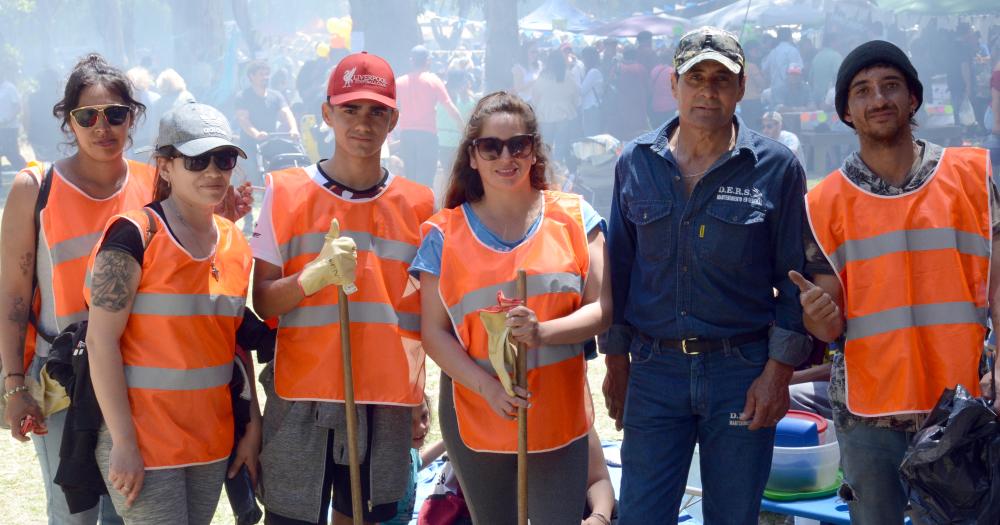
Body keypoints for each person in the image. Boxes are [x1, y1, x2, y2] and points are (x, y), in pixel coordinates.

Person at [0, 53, 251, 525]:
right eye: (86, 116)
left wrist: (222, 222)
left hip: (132, 380)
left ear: (133, 117)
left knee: (123, 514)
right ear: (68, 121)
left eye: (116, 114)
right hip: (62, 376)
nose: (103, 127)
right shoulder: (35, 187)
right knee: (73, 513)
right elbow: (13, 296)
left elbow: (178, 255)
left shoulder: (151, 183)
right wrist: (14, 384)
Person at [603, 27, 811, 524]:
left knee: (734, 516)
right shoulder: (636, 161)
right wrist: (615, 361)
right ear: (673, 83)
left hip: (742, 371)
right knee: (641, 515)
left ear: (742, 90)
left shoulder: (775, 167)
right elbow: (619, 268)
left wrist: (777, 373)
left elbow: (796, 281)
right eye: (696, 77)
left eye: (723, 79)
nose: (708, 91)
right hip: (654, 370)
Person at [794, 40, 1000, 525]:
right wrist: (816, 316)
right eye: (862, 90)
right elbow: (828, 322)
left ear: (913, 98)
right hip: (868, 412)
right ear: (847, 111)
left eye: (891, 86)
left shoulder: (970, 175)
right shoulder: (823, 202)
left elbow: (996, 289)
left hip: (960, 404)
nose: (878, 99)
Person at [250, 51, 434, 525]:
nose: (363, 123)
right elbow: (264, 300)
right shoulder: (285, 192)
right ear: (327, 112)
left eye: (377, 111)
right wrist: (313, 276)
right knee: (291, 516)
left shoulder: (419, 204)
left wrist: (419, 396)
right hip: (302, 394)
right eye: (350, 109)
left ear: (394, 119)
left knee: (365, 518)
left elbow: (419, 319)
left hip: (385, 399)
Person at [414, 90, 611, 523]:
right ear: (472, 155)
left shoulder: (577, 218)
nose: (506, 157)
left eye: (518, 144)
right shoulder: (441, 235)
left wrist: (544, 332)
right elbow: (434, 333)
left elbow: (602, 309)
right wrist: (486, 387)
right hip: (476, 414)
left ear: (534, 150)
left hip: (557, 415)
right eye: (491, 146)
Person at [86, 102, 259, 524]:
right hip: (146, 442)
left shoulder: (235, 241)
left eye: (225, 158)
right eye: (197, 160)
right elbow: (100, 341)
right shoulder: (134, 234)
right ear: (164, 167)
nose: (214, 172)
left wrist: (251, 424)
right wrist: (124, 442)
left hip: (211, 440)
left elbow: (234, 344)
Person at [395, 45, 463, 190]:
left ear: (411, 61)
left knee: (411, 178)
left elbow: (390, 108)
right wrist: (464, 128)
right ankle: (425, 211)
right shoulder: (433, 81)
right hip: (427, 136)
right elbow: (449, 106)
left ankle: (412, 211)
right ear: (428, 61)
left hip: (407, 135)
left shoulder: (399, 82)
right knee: (426, 180)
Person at [234, 59, 299, 184]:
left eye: (267, 74)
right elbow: (243, 120)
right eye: (261, 74)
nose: (266, 77)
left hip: (270, 143)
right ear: (251, 77)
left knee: (277, 172)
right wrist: (256, 134)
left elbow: (286, 113)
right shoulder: (242, 97)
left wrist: (293, 129)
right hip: (250, 145)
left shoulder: (276, 96)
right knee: (253, 174)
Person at [531, 49, 581, 163]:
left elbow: (535, 96)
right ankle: (558, 168)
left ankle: (547, 167)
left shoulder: (543, 76)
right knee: (561, 144)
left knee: (546, 144)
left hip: (545, 113)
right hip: (564, 113)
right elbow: (575, 93)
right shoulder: (568, 75)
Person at [0, 70, 26, 171]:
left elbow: (17, 107)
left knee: (11, 153)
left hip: (9, 127)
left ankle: (26, 172)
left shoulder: (9, 88)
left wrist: (7, 119)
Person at [579, 46, 605, 136]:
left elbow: (582, 91)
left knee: (591, 136)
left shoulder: (593, 72)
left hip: (591, 108)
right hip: (593, 108)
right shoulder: (596, 70)